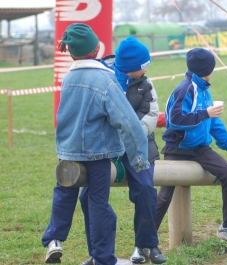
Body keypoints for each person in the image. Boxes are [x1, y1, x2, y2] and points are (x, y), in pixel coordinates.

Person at [42, 23, 149, 265]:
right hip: (98, 153)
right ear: (95, 49)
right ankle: (103, 258)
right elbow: (128, 123)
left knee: (64, 192)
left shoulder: (69, 78)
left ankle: (54, 239)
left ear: (72, 52)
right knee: (98, 202)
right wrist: (139, 158)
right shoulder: (104, 79)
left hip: (68, 152)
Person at [79, 36, 166, 265]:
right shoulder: (103, 79)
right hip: (106, 149)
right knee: (87, 195)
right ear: (129, 69)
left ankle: (146, 245)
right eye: (143, 65)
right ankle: (97, 252)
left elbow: (151, 115)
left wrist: (130, 136)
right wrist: (113, 138)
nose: (147, 69)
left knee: (146, 189)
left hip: (139, 147)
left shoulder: (146, 83)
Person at [156, 47, 227, 248]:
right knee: (165, 195)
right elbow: (174, 120)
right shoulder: (186, 88)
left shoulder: (204, 89)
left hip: (200, 148)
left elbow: (213, 123)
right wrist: (205, 113)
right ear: (208, 68)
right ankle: (145, 241)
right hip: (178, 148)